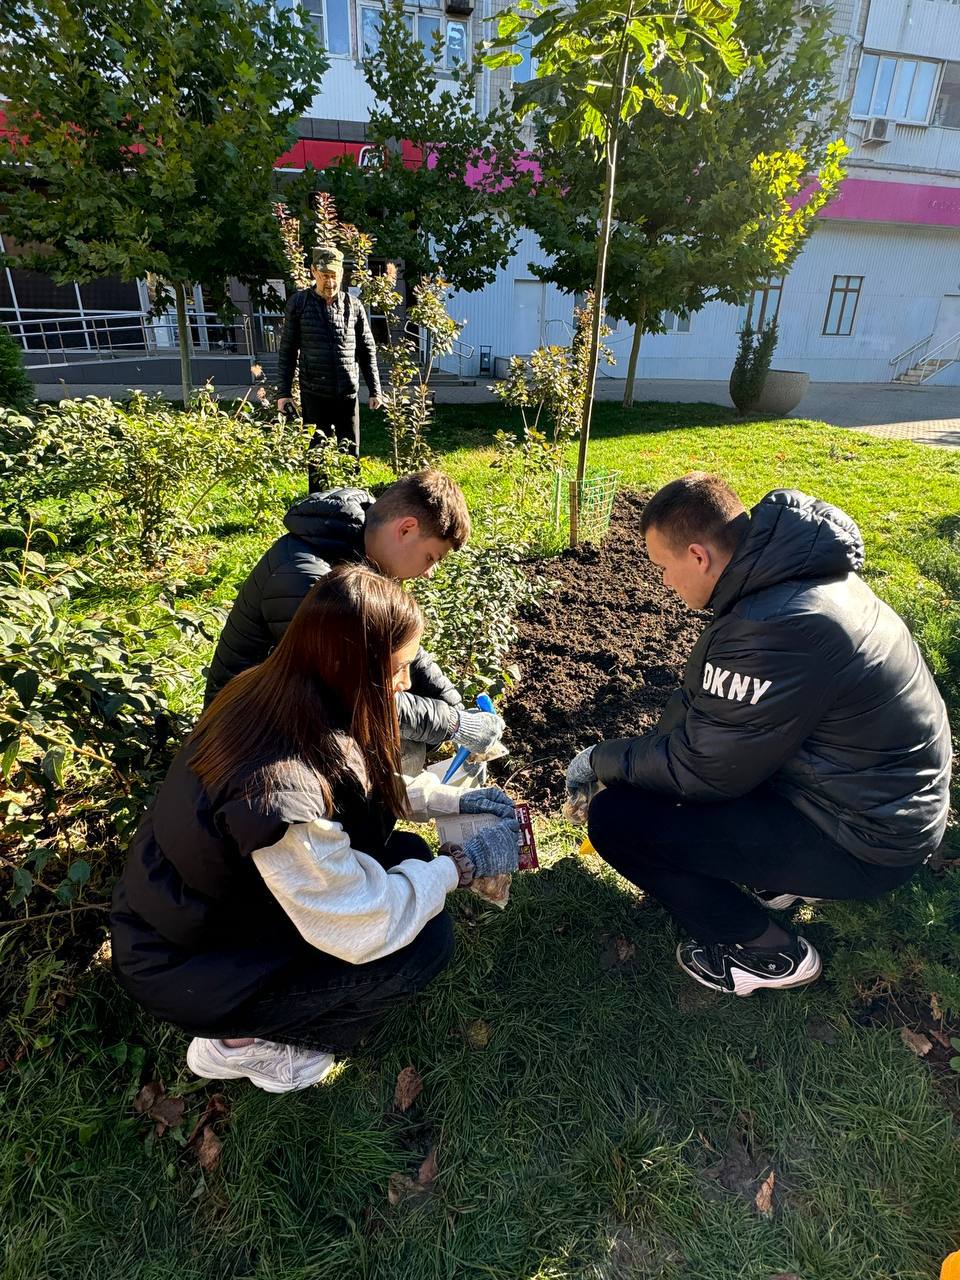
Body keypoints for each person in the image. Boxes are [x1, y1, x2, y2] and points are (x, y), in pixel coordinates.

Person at [110, 566, 521, 1093]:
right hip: (186, 962)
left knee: (405, 851)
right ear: (352, 665)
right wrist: (462, 867)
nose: (403, 684)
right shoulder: (276, 796)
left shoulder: (278, 692)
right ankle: (250, 1042)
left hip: (195, 910)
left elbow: (349, 783)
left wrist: (444, 798)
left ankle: (256, 1019)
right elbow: (365, 923)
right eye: (396, 669)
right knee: (424, 943)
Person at [566, 474, 952, 997]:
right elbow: (717, 725)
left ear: (699, 557)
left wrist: (599, 760)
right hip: (871, 802)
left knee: (617, 820)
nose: (663, 583)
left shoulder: (775, 627)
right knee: (676, 784)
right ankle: (778, 880)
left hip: (865, 840)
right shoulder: (798, 579)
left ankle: (766, 952)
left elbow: (700, 769)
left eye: (662, 568)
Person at [204, 470, 503, 774]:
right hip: (243, 738)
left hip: (294, 711)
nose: (429, 573)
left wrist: (453, 704)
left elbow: (398, 645)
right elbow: (358, 695)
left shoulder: (362, 554)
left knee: (407, 737)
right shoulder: (305, 579)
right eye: (430, 558)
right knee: (392, 745)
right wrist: (453, 724)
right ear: (406, 529)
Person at [276, 244, 382, 479]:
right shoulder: (299, 304)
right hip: (314, 393)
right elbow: (288, 350)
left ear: (341, 274)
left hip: (347, 394)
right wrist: (283, 392)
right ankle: (318, 504)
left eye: (334, 276)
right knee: (316, 454)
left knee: (350, 454)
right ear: (313, 271)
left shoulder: (354, 307)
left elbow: (367, 349)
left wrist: (375, 389)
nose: (330, 283)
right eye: (325, 276)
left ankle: (352, 504)